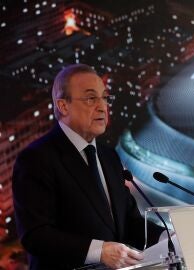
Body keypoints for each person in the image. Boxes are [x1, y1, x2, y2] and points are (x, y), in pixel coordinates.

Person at [12, 64, 162, 270]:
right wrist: (99, 252)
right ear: (63, 106)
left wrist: (168, 237)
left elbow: (130, 222)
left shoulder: (109, 157)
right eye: (91, 98)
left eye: (105, 98)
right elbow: (36, 235)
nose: (102, 107)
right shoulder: (36, 159)